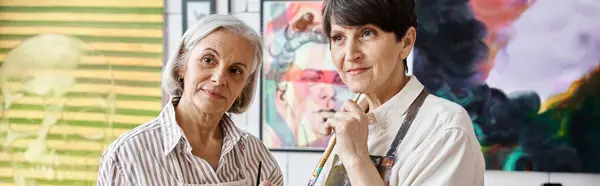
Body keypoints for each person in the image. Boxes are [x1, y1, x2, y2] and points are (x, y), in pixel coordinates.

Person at [313, 0, 486, 185]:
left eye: (367, 33)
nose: (350, 54)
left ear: (406, 42)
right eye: (338, 37)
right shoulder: (349, 121)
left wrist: (357, 159)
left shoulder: (446, 128)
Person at [97, 14, 283, 186]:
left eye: (235, 71)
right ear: (181, 65)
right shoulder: (127, 155)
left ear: (244, 86)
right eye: (208, 60)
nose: (219, 78)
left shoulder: (258, 156)